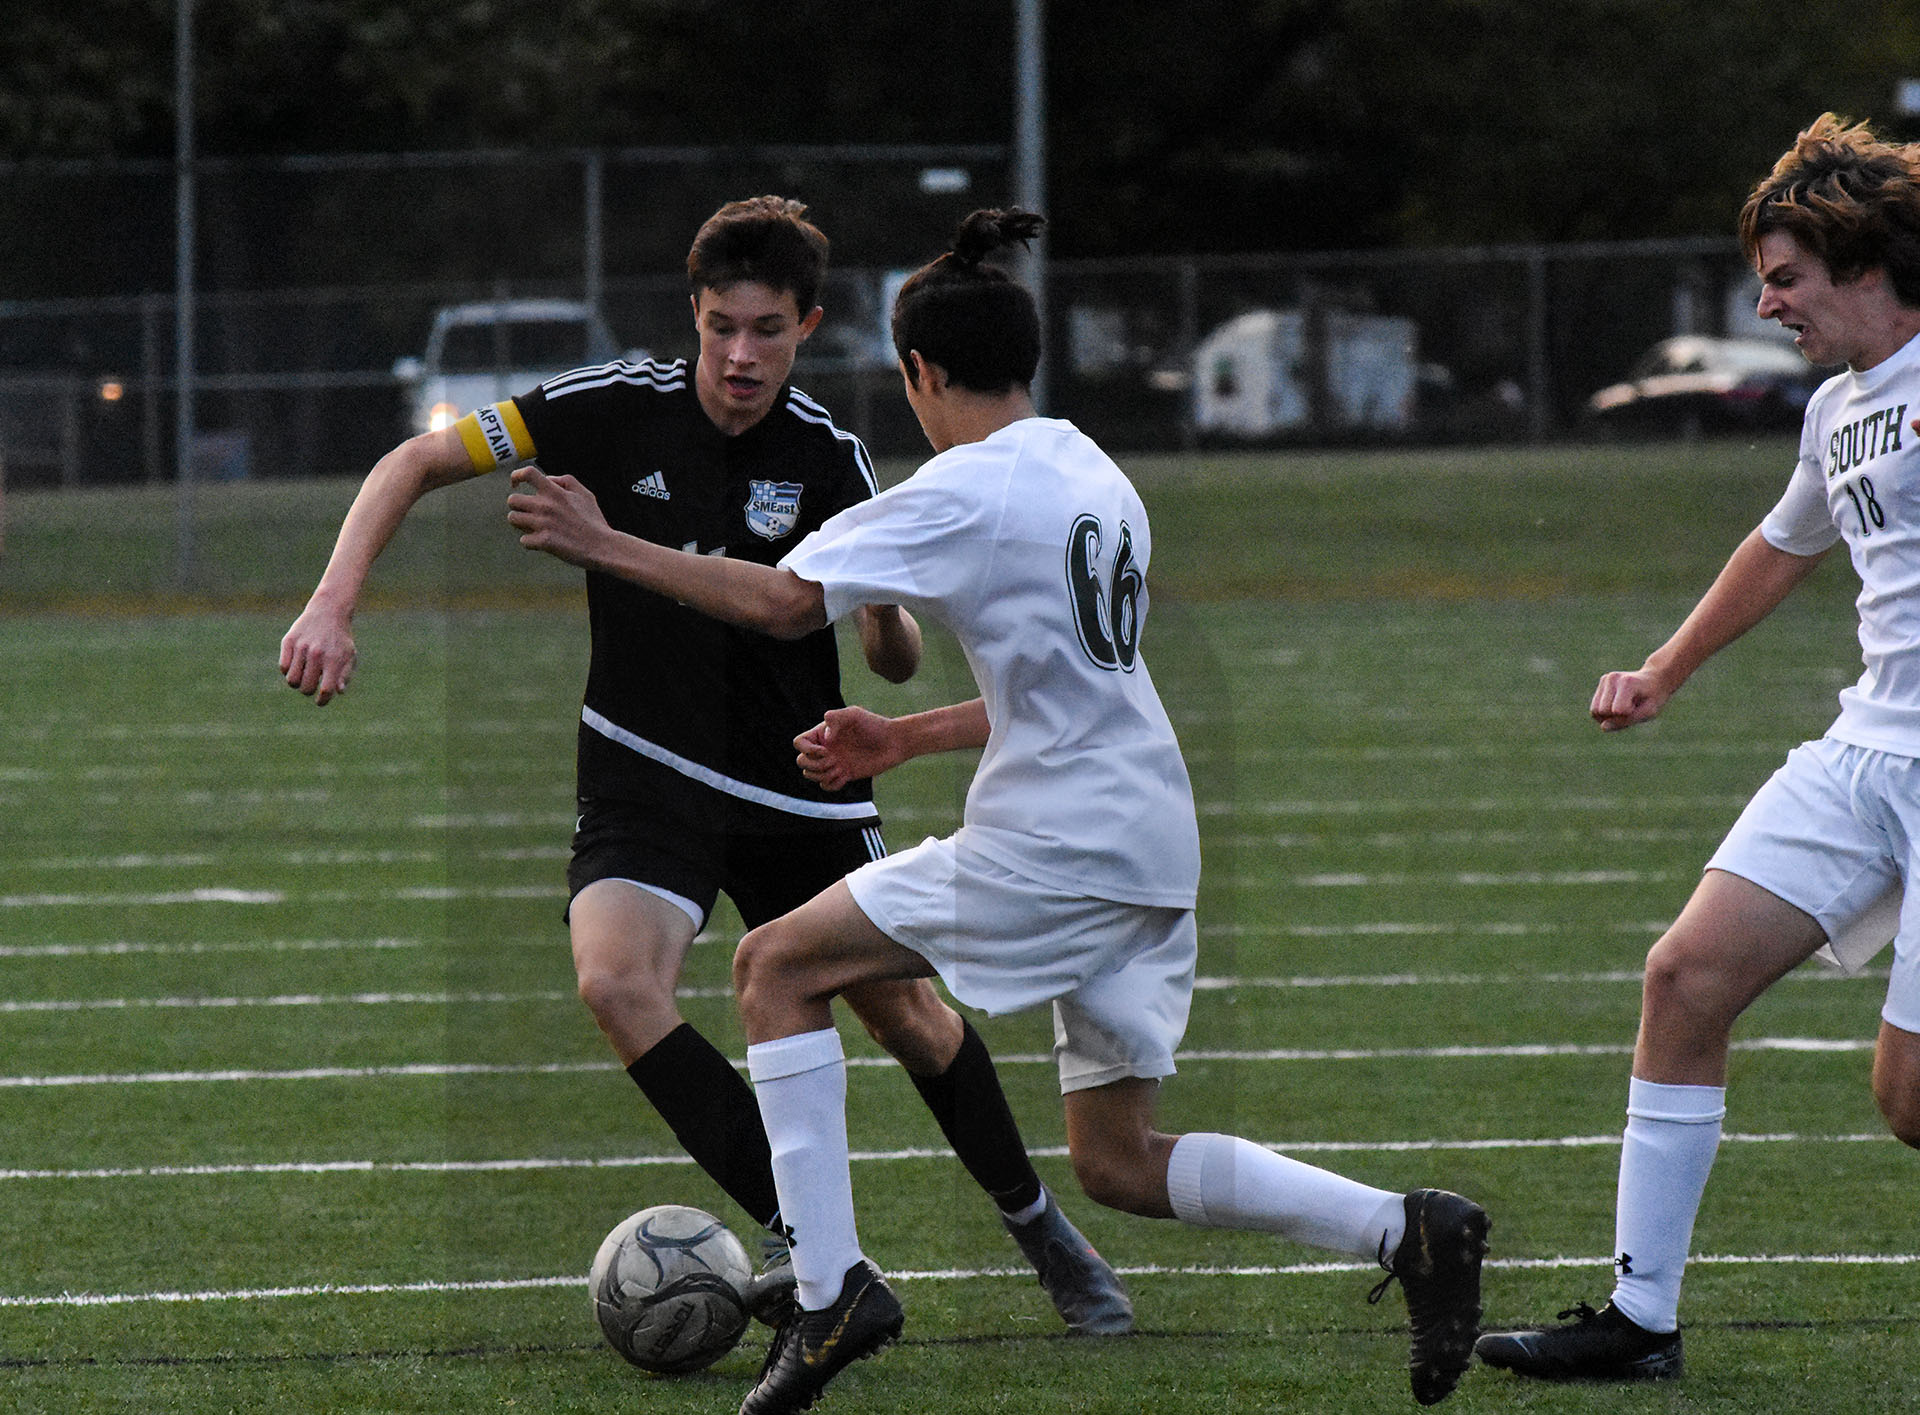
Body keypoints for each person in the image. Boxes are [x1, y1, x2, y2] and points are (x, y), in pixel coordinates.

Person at [505, 207, 1491, 1413]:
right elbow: (1070, 681)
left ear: (920, 372)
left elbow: (776, 604)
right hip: (1150, 834)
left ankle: (830, 1291)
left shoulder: (965, 485)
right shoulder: (1093, 471)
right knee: (1119, 1159)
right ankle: (1411, 1229)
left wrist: (606, 541)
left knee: (774, 965)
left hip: (1060, 838)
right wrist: (905, 734)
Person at [277, 195, 1131, 1335]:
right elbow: (414, 460)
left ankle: (1042, 1228)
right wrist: (333, 603)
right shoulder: (603, 406)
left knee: (912, 1020)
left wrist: (885, 626)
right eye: (722, 325)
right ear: (694, 314)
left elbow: (882, 640)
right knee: (616, 980)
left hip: (798, 786)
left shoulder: (830, 456)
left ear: (808, 327)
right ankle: (816, 1245)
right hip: (646, 766)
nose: (740, 355)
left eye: (768, 330)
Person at [1475, 113, 1920, 1383]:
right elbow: (1784, 543)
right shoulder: (1840, 410)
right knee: (1684, 979)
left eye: (1785, 278)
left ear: (1866, 262)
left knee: (1909, 1100)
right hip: (1867, 748)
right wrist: (1665, 669)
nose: (1768, 304)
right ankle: (1640, 1319)